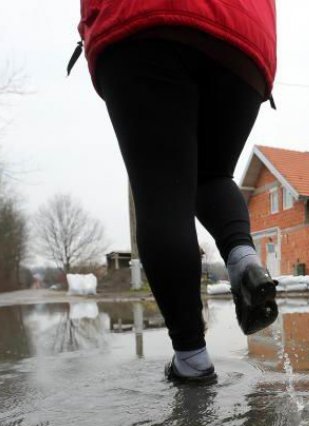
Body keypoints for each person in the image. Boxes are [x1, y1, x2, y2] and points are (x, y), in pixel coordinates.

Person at [72, 1, 279, 381]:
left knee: (162, 191)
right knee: (214, 174)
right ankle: (242, 257)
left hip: (144, 21)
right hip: (245, 41)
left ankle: (192, 360)